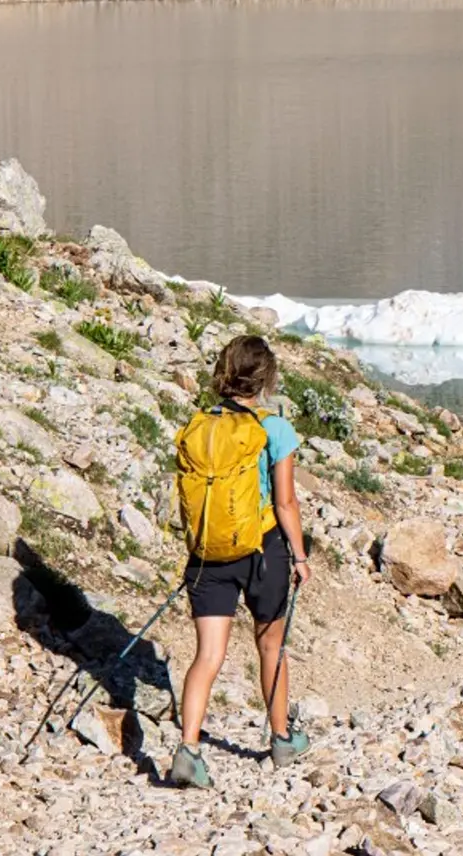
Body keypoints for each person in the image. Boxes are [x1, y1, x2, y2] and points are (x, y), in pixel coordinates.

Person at [169, 335, 312, 788]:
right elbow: (286, 502)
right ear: (266, 379)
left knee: (207, 654)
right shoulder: (275, 429)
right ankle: (282, 739)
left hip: (208, 554)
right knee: (271, 646)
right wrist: (301, 555)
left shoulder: (200, 424)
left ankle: (188, 750)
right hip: (262, 552)